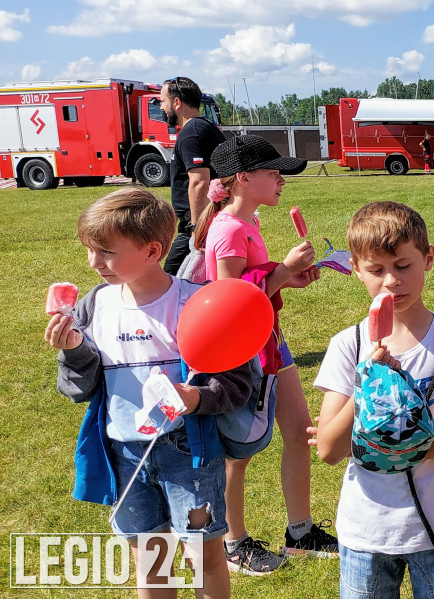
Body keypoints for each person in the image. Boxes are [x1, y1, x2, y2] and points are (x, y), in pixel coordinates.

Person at [45, 187, 254, 598]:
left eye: (105, 251)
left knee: (204, 556)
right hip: (124, 452)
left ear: (153, 251)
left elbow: (237, 384)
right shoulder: (94, 306)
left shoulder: (195, 303)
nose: (93, 262)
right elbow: (78, 389)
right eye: (89, 249)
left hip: (187, 451)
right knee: (151, 558)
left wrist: (195, 398)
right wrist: (74, 352)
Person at [312, 201, 434, 598]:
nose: (391, 281)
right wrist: (366, 388)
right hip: (368, 528)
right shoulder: (347, 345)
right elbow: (329, 449)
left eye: (403, 266)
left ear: (428, 260)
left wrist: (369, 441)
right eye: (376, 270)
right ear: (355, 270)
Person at [197, 135, 336, 575]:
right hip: (244, 353)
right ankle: (233, 543)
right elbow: (230, 301)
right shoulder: (230, 230)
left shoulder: (248, 221)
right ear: (243, 178)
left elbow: (254, 286)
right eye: (273, 173)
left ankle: (300, 533)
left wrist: (284, 278)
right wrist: (284, 270)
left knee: (299, 430)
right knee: (240, 450)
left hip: (269, 339)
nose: (281, 180)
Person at [160, 76, 225, 276]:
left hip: (198, 224)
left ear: (177, 102)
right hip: (211, 218)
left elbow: (199, 182)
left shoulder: (191, 133)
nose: (161, 107)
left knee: (170, 280)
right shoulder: (206, 127)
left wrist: (197, 229)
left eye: (163, 101)